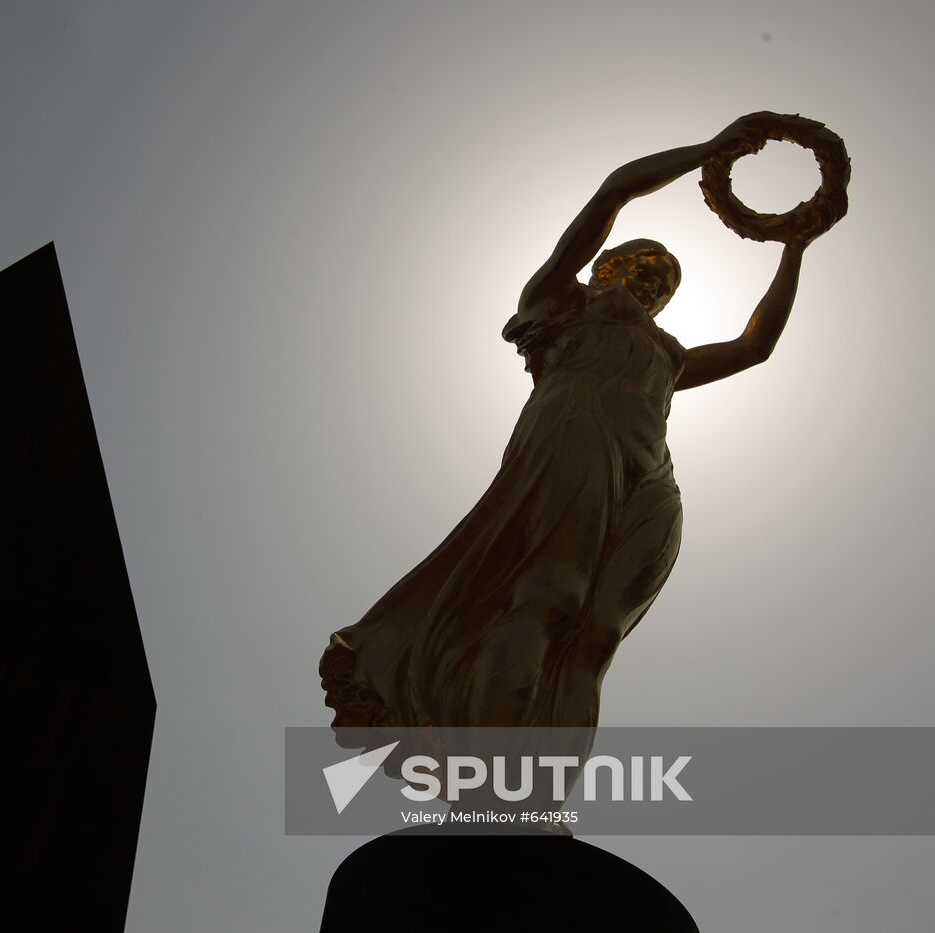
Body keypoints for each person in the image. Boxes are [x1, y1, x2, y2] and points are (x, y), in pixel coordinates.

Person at [319, 115, 812, 740]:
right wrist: (709, 151)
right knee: (547, 600)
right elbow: (614, 192)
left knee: (597, 636)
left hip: (651, 479)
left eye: (662, 284)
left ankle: (540, 800)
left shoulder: (668, 353)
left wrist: (795, 248)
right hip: (572, 440)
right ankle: (491, 784)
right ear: (603, 268)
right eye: (642, 265)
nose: (653, 282)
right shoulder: (558, 302)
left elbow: (754, 345)